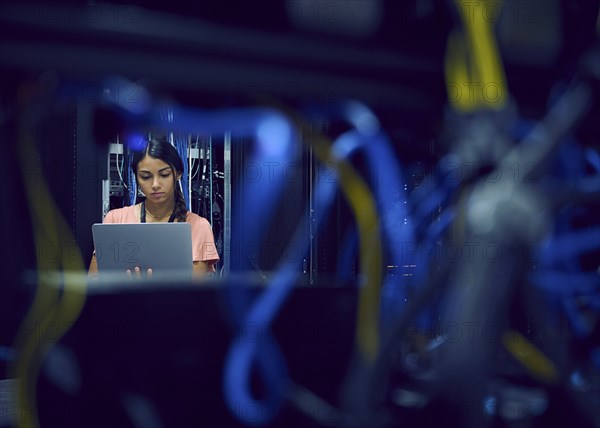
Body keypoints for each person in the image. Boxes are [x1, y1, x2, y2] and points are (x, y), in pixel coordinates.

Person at [88, 137, 219, 279]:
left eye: (164, 174)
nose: (155, 184)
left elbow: (192, 294)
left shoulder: (199, 227)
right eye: (145, 177)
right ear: (136, 178)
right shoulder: (115, 220)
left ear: (179, 173)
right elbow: (93, 283)